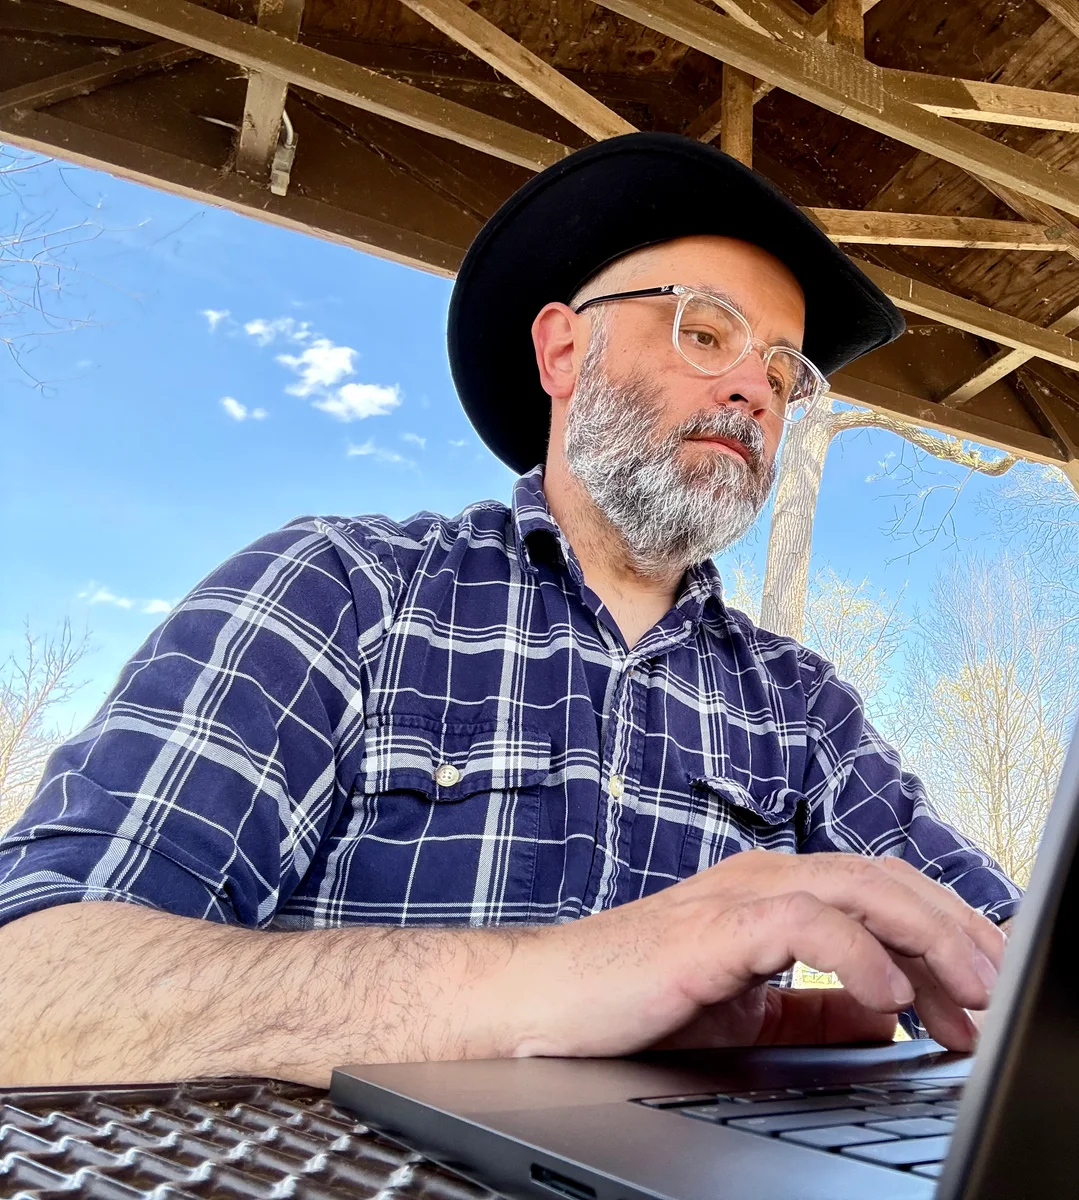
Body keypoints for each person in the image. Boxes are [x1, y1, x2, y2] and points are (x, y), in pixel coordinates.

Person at [0, 134, 1020, 1088]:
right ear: (564, 355)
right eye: (708, 332)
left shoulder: (802, 710)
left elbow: (1010, 958)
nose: (757, 390)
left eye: (785, 373)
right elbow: (34, 986)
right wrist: (545, 982)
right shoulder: (340, 593)